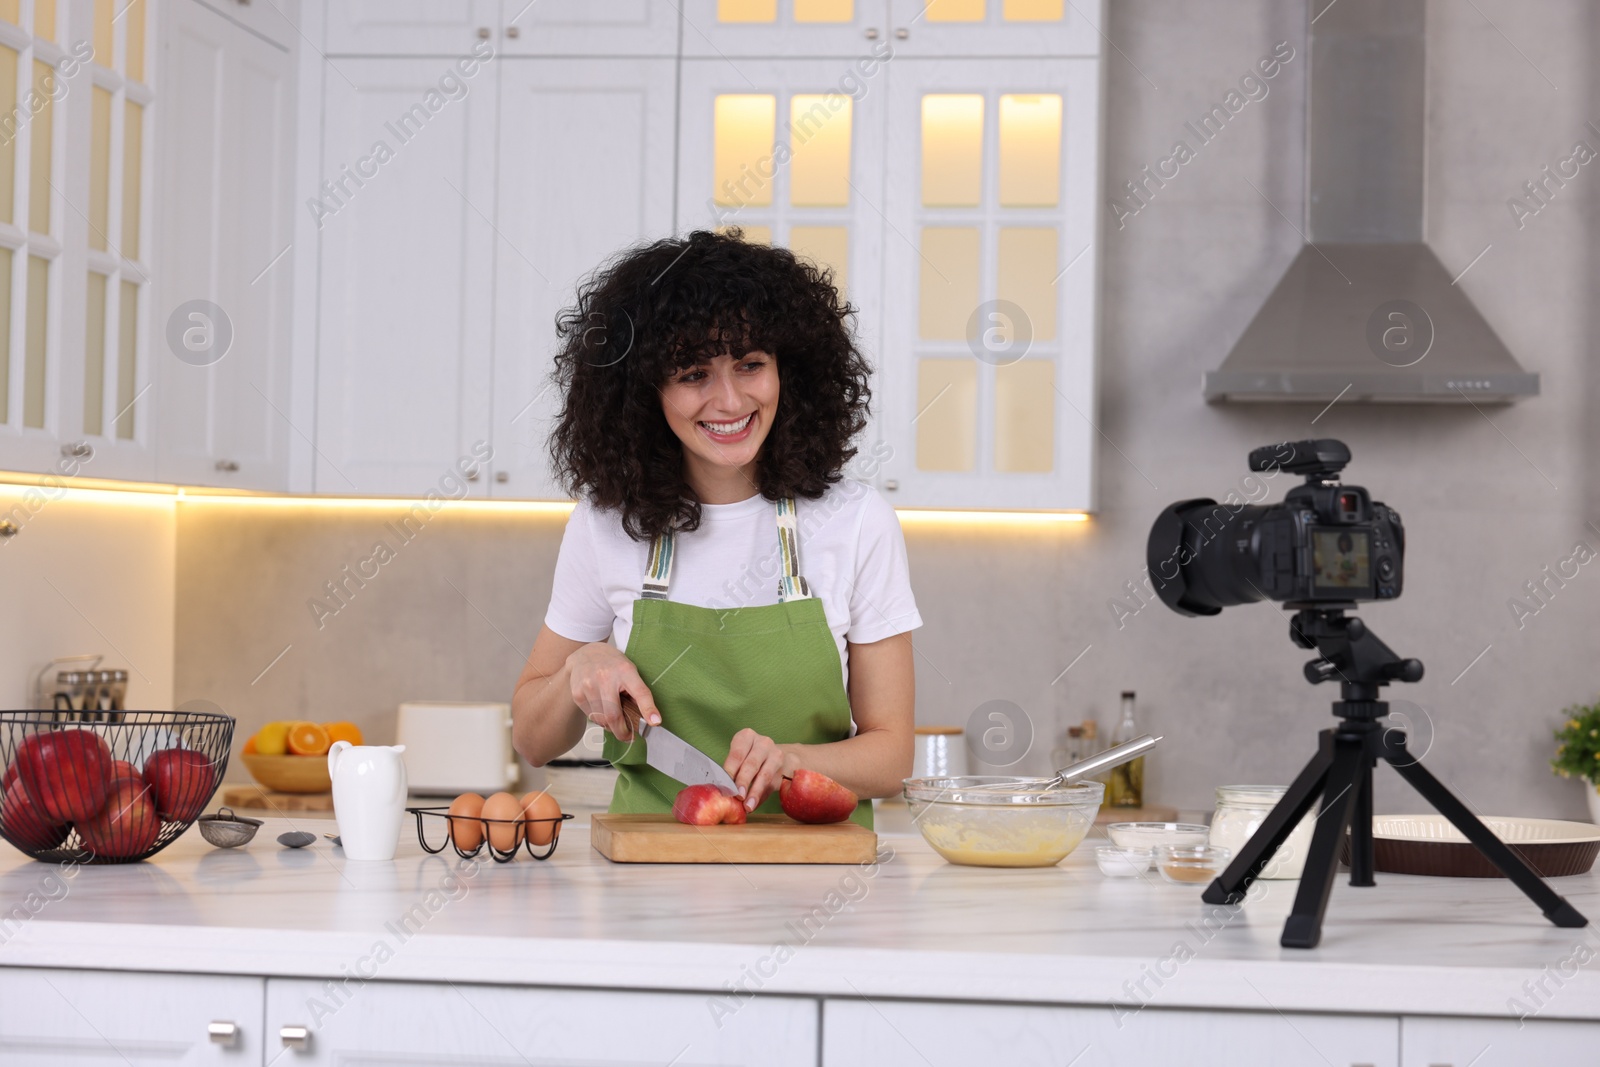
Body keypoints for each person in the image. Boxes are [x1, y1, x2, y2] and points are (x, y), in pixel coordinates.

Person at [511, 229, 920, 828]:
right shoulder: (605, 526)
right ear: (644, 392)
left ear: (789, 371)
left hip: (817, 882)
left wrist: (792, 761)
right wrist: (576, 672)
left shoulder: (855, 522)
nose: (729, 401)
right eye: (693, 373)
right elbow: (532, 739)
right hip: (652, 878)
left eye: (750, 365)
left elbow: (892, 758)